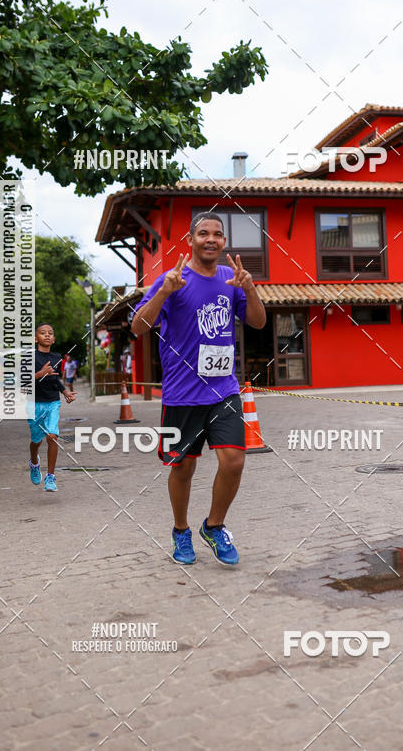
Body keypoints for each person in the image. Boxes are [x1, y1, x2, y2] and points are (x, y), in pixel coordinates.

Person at [131, 212, 267, 567]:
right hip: (182, 394)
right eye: (203, 233)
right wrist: (163, 292)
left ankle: (214, 525)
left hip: (224, 391)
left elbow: (258, 322)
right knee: (183, 469)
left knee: (234, 460)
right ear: (190, 240)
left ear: (224, 242)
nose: (211, 239)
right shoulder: (172, 279)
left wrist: (249, 287)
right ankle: (180, 530)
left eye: (217, 235)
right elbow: (137, 327)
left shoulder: (230, 278)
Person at [28, 323, 76, 491]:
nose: (47, 335)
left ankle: (50, 477)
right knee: (36, 441)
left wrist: (65, 392)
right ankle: (34, 463)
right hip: (33, 404)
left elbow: (54, 379)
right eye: (42, 333)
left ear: (54, 339)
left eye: (50, 333)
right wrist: (40, 374)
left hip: (53, 402)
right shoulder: (30, 358)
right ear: (35, 338)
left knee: (52, 436)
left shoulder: (56, 357)